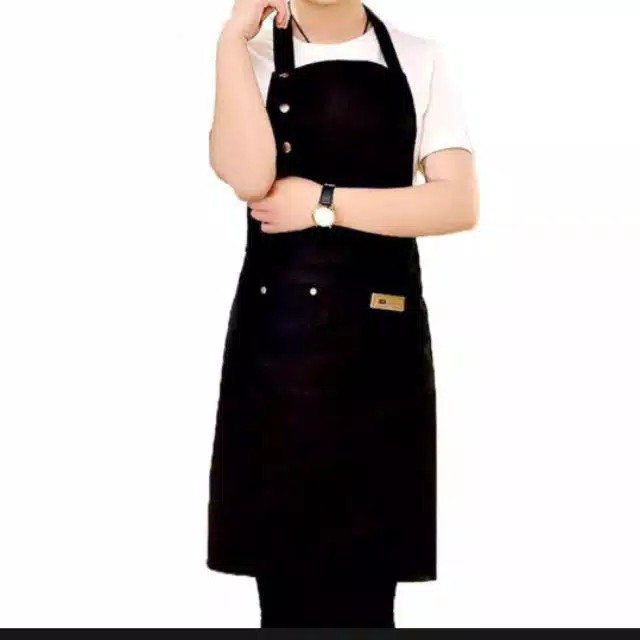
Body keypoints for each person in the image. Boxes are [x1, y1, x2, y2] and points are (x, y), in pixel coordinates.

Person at [207, 0, 478, 628]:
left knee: (369, 590)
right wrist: (229, 41)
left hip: (381, 355)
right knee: (283, 590)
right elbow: (248, 177)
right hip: (278, 356)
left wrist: (323, 204)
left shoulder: (418, 56)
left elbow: (457, 203)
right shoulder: (250, 56)